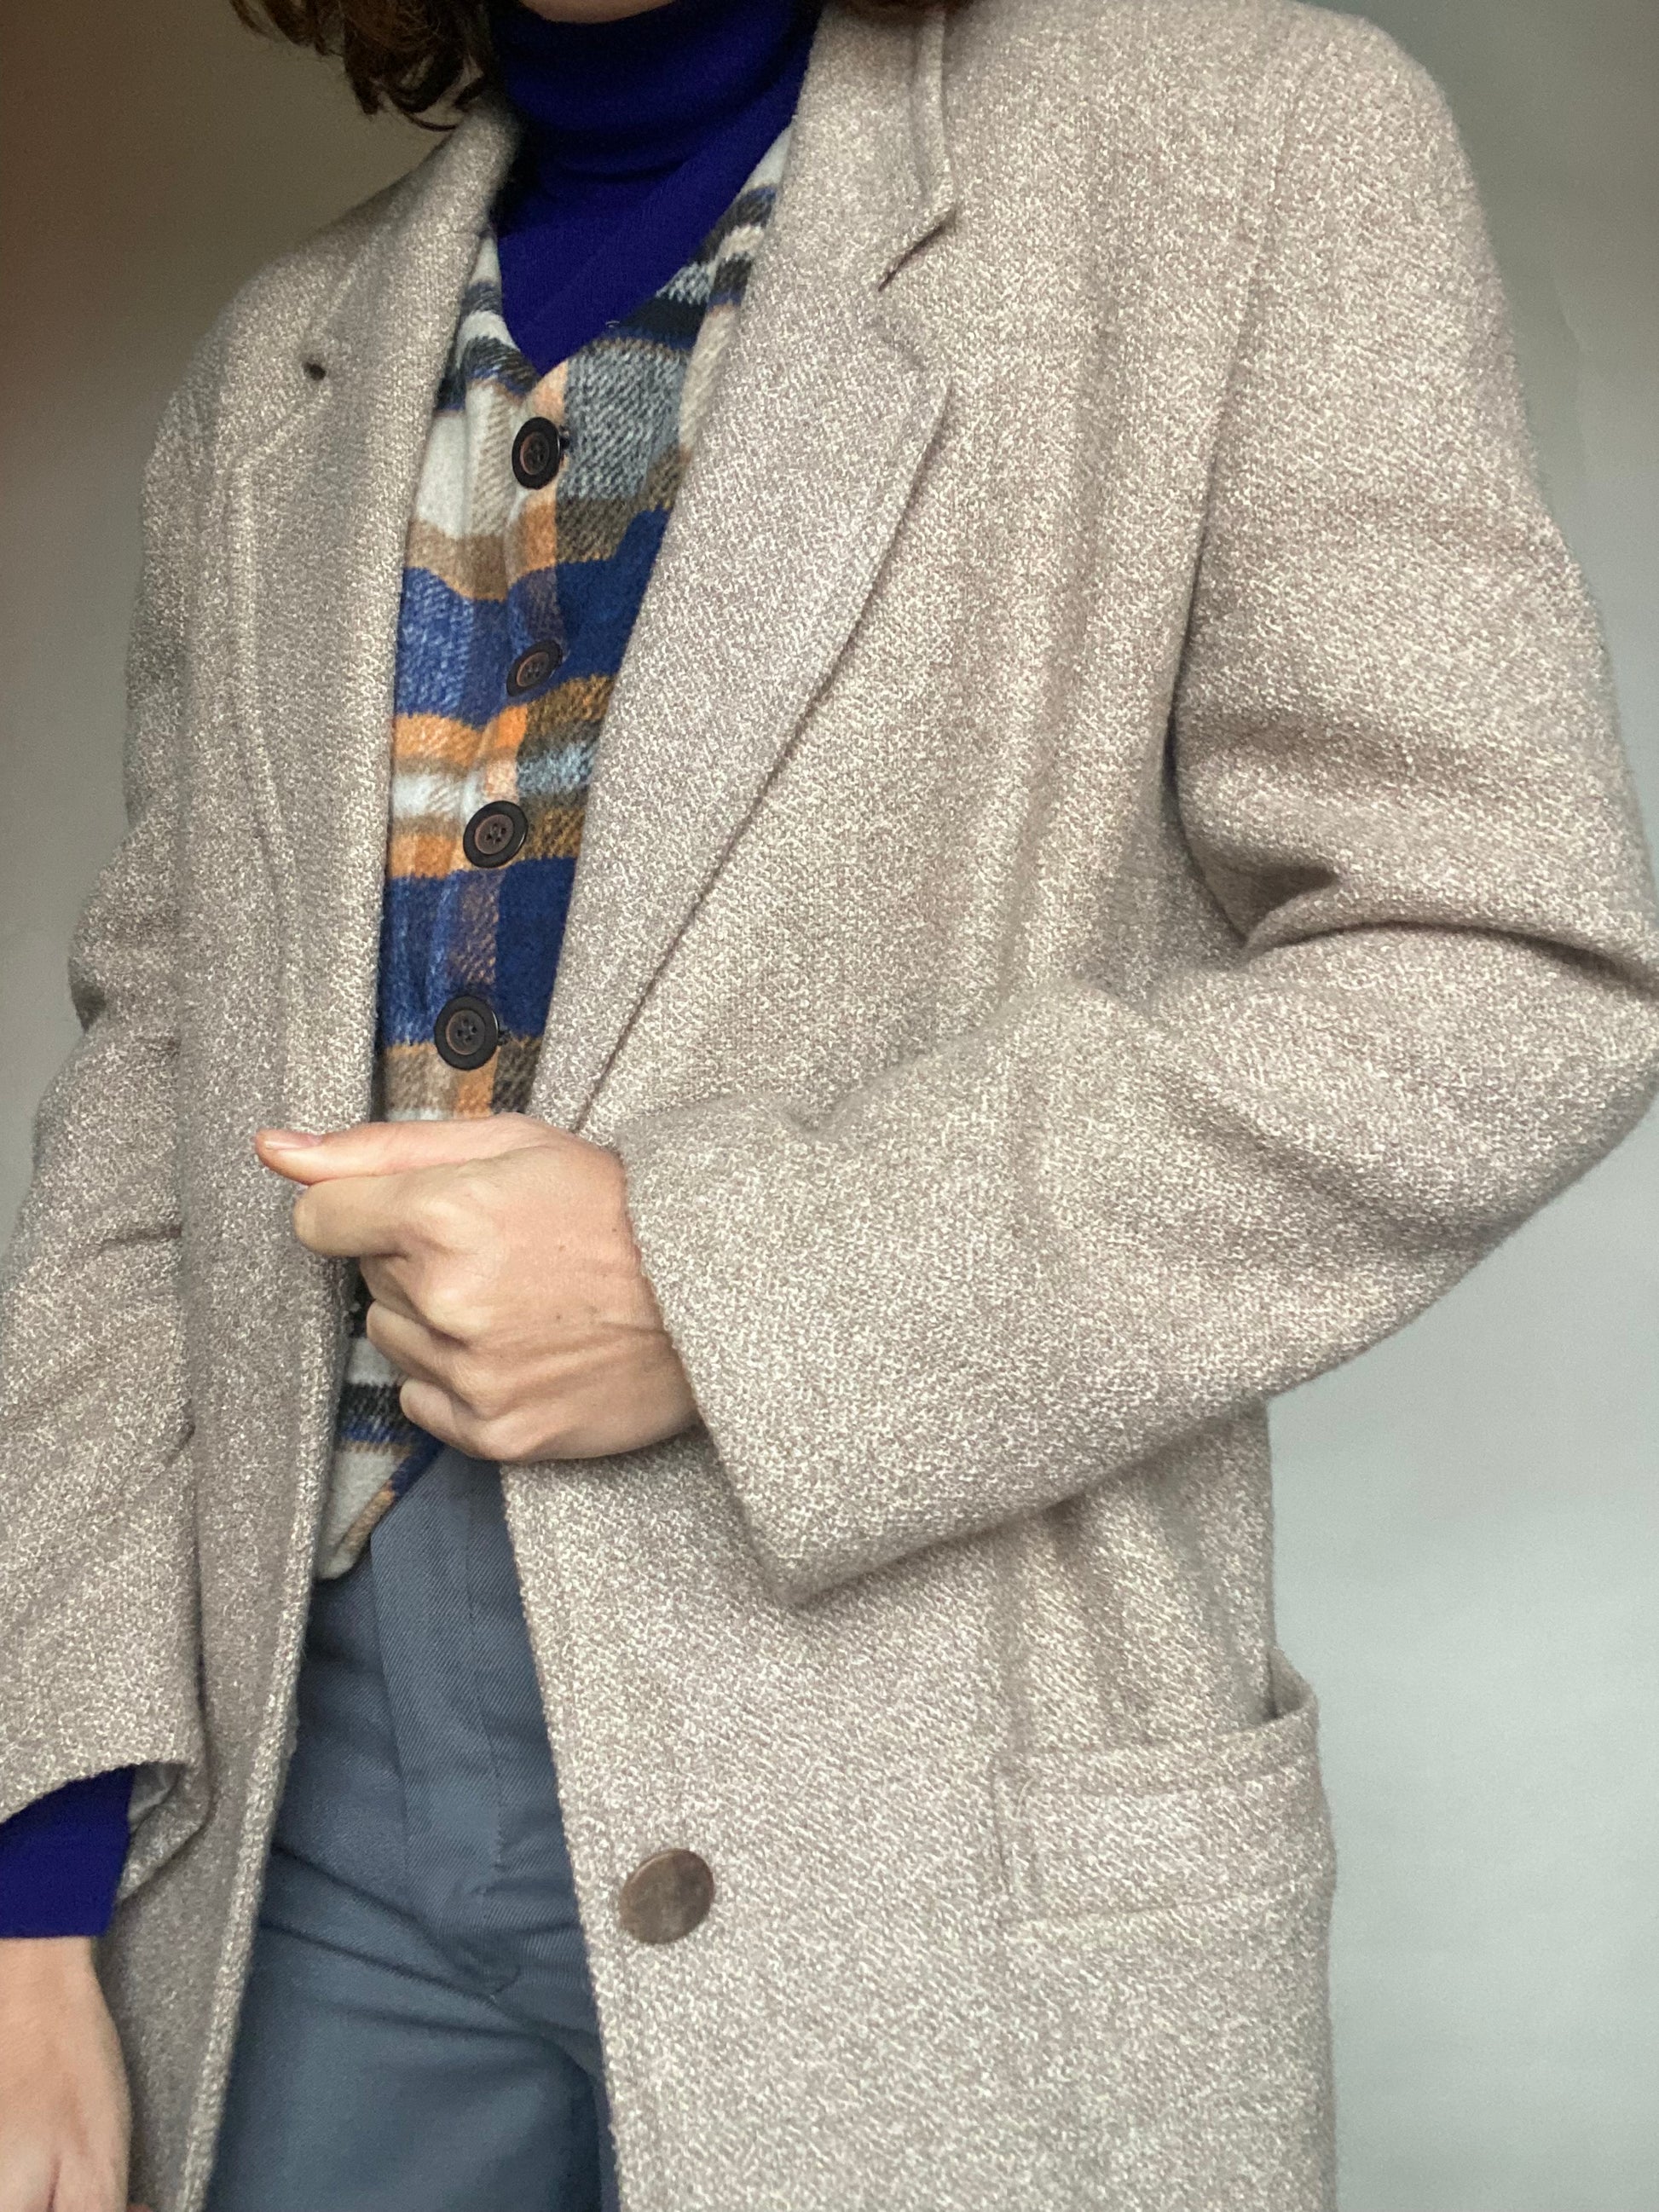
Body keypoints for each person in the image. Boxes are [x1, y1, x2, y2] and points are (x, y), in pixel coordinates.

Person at [3, 0, 1658, 2203]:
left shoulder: (1251, 148)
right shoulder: (276, 369)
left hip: (936, 1801)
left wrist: (718, 1285)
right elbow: (152, 1106)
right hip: (303, 1814)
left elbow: (1504, 964)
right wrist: (34, 1869)